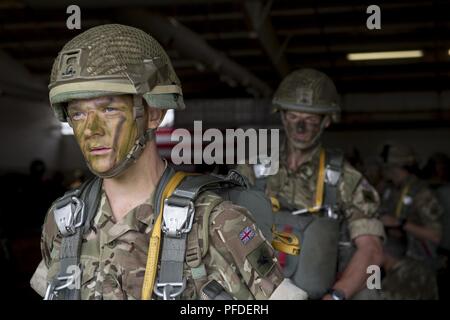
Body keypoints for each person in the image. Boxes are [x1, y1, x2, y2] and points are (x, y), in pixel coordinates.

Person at [29, 24, 303, 300]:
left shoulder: (216, 223)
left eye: (109, 109)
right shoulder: (64, 221)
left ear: (153, 115)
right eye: (77, 115)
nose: (90, 130)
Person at [237, 68, 384, 300]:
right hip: (258, 291)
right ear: (282, 116)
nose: (300, 127)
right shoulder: (251, 170)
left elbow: (371, 249)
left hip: (321, 289)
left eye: (311, 120)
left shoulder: (346, 179)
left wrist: (336, 296)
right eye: (293, 117)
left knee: (369, 294)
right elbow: (222, 231)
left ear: (326, 121)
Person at [379, 143, 443, 269]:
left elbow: (435, 236)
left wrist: (400, 223)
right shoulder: (390, 190)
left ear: (395, 167)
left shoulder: (421, 193)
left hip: (418, 263)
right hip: (393, 257)